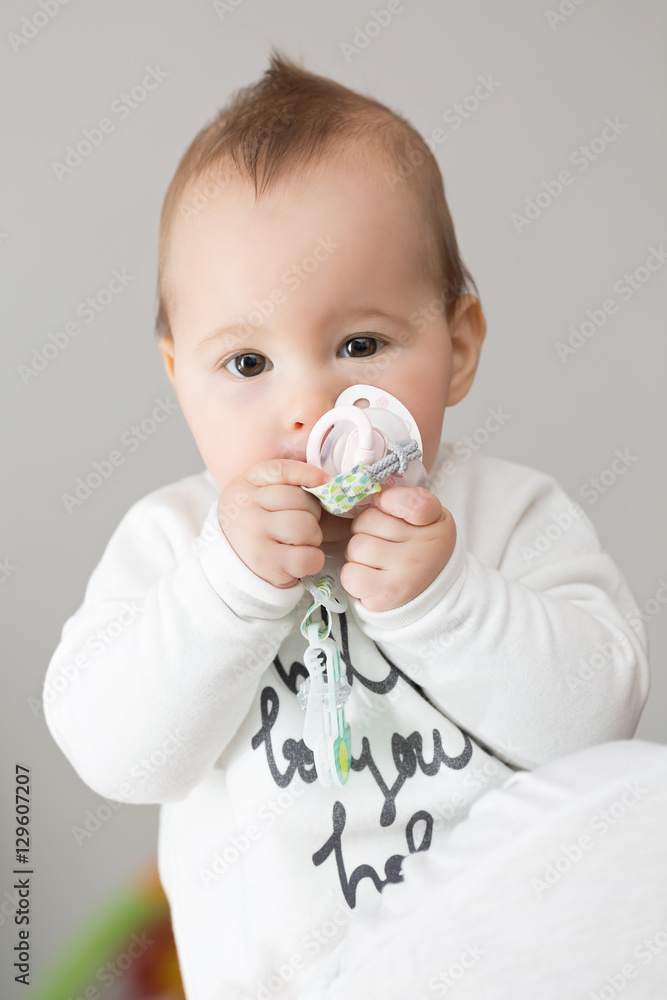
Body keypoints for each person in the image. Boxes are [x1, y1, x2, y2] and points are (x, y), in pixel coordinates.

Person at [43, 48, 663, 1000]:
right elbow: (116, 753)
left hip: (491, 964)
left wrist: (447, 601)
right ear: (179, 378)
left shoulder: (507, 515)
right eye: (247, 364)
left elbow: (598, 727)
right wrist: (226, 592)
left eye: (360, 345)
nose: (310, 404)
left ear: (456, 348)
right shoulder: (173, 543)